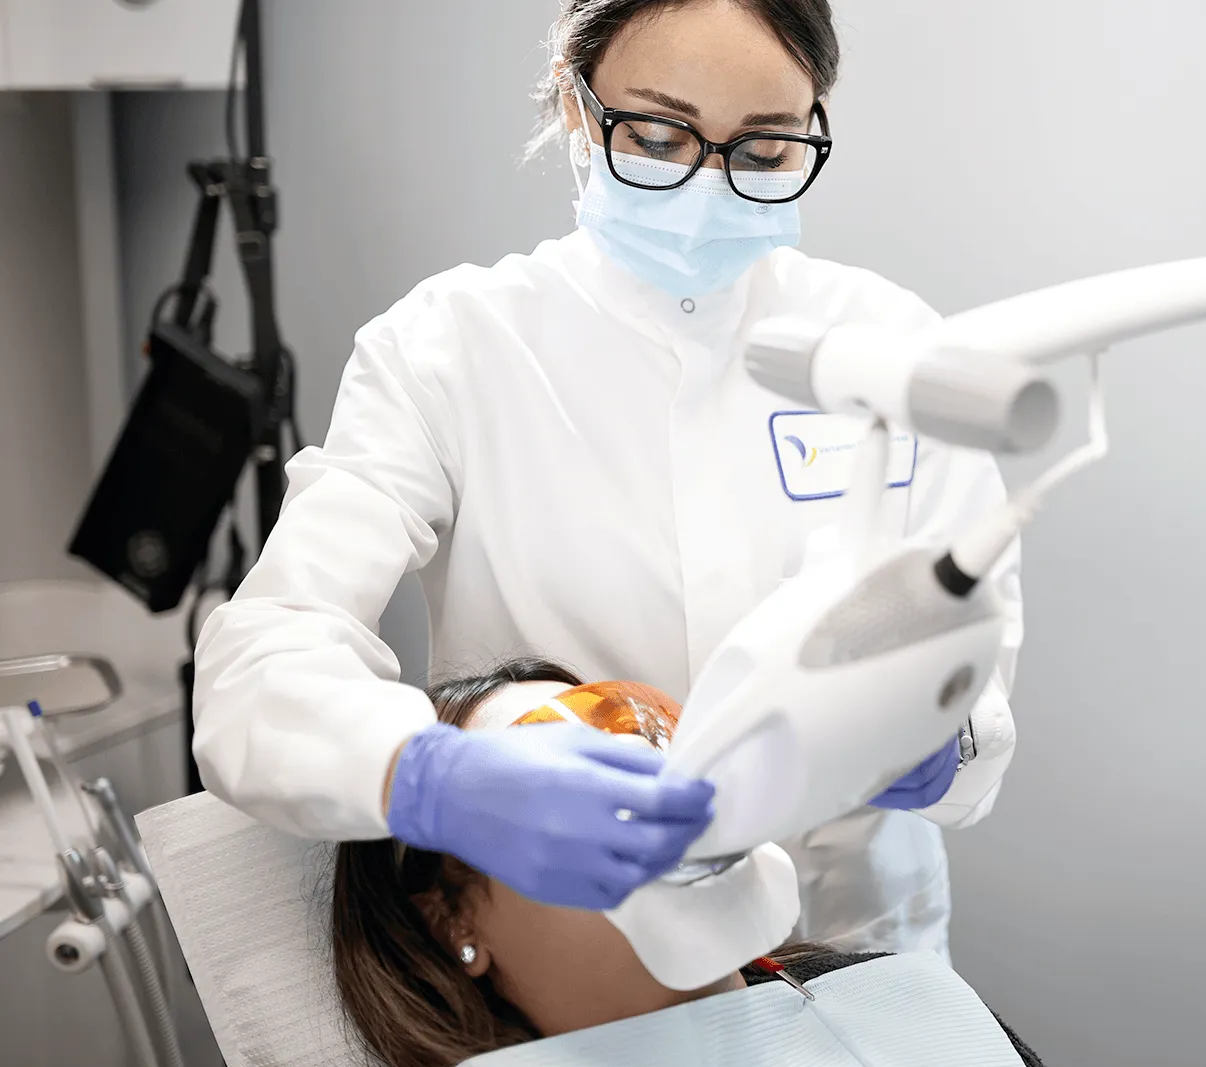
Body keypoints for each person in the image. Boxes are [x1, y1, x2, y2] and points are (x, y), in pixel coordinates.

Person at [192, 0, 1021, 956]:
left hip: (855, 940)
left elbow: (976, 661)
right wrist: (429, 777)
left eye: (762, 153)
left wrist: (947, 735)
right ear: (577, 106)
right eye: (661, 135)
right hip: (576, 952)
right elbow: (267, 657)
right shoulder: (450, 348)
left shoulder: (891, 348)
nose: (709, 185)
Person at [330, 659, 1049, 1067]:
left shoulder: (912, 1002)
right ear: (452, 918)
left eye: (654, 751)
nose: (654, 800)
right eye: (575, 797)